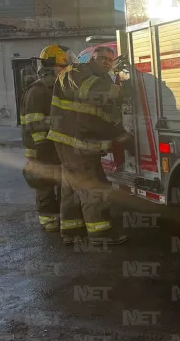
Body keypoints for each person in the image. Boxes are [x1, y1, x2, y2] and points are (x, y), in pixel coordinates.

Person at [48, 46, 133, 245]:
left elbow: (104, 118)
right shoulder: (76, 72)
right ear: (91, 59)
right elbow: (91, 91)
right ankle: (100, 234)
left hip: (76, 141)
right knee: (94, 186)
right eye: (101, 58)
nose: (105, 62)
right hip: (75, 141)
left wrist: (120, 135)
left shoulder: (102, 79)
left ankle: (71, 231)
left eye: (109, 60)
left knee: (72, 186)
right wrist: (122, 91)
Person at [20, 45, 72, 232]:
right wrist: (42, 147)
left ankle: (60, 217)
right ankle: (49, 221)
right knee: (44, 185)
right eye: (64, 63)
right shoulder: (38, 90)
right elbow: (34, 121)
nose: (67, 67)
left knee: (60, 182)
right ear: (54, 64)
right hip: (41, 148)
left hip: (55, 146)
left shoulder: (56, 87)